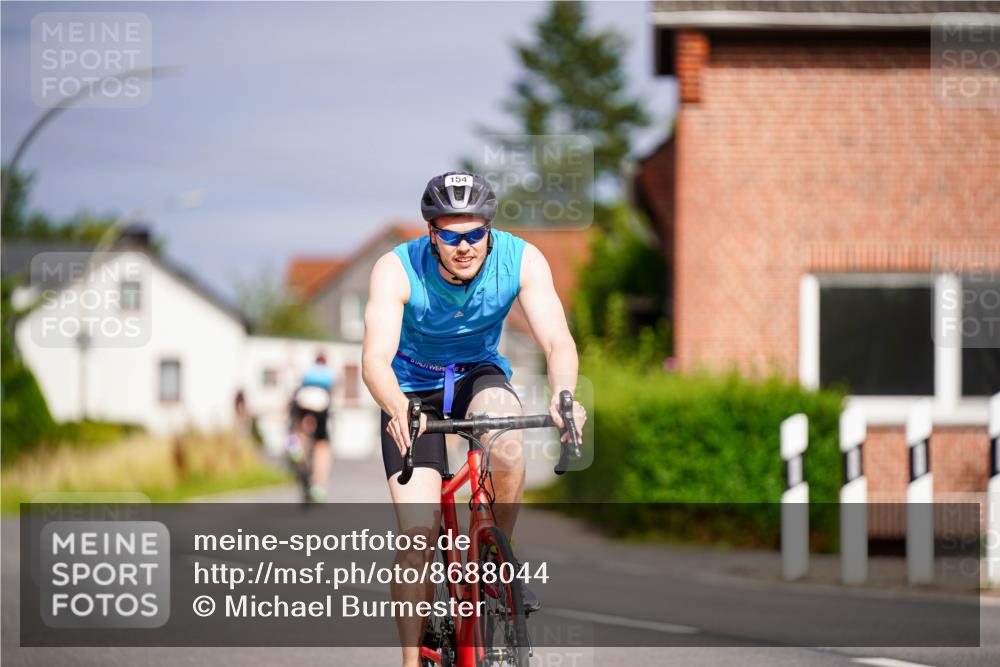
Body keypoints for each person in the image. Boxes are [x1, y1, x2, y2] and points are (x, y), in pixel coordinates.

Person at [362, 171, 587, 667]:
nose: (463, 246)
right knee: (416, 535)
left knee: (505, 441)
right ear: (431, 235)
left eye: (474, 234)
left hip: (476, 375)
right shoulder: (395, 269)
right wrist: (397, 407)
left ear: (490, 229)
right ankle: (407, 660)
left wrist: (564, 393)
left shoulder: (521, 259)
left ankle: (493, 557)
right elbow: (374, 361)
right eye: (450, 235)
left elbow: (557, 340)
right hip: (410, 390)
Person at [288, 353, 335, 502]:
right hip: (321, 400)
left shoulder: (308, 371)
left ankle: (296, 447)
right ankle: (318, 485)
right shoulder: (328, 373)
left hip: (304, 398)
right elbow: (334, 390)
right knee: (323, 445)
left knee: (302, 428)